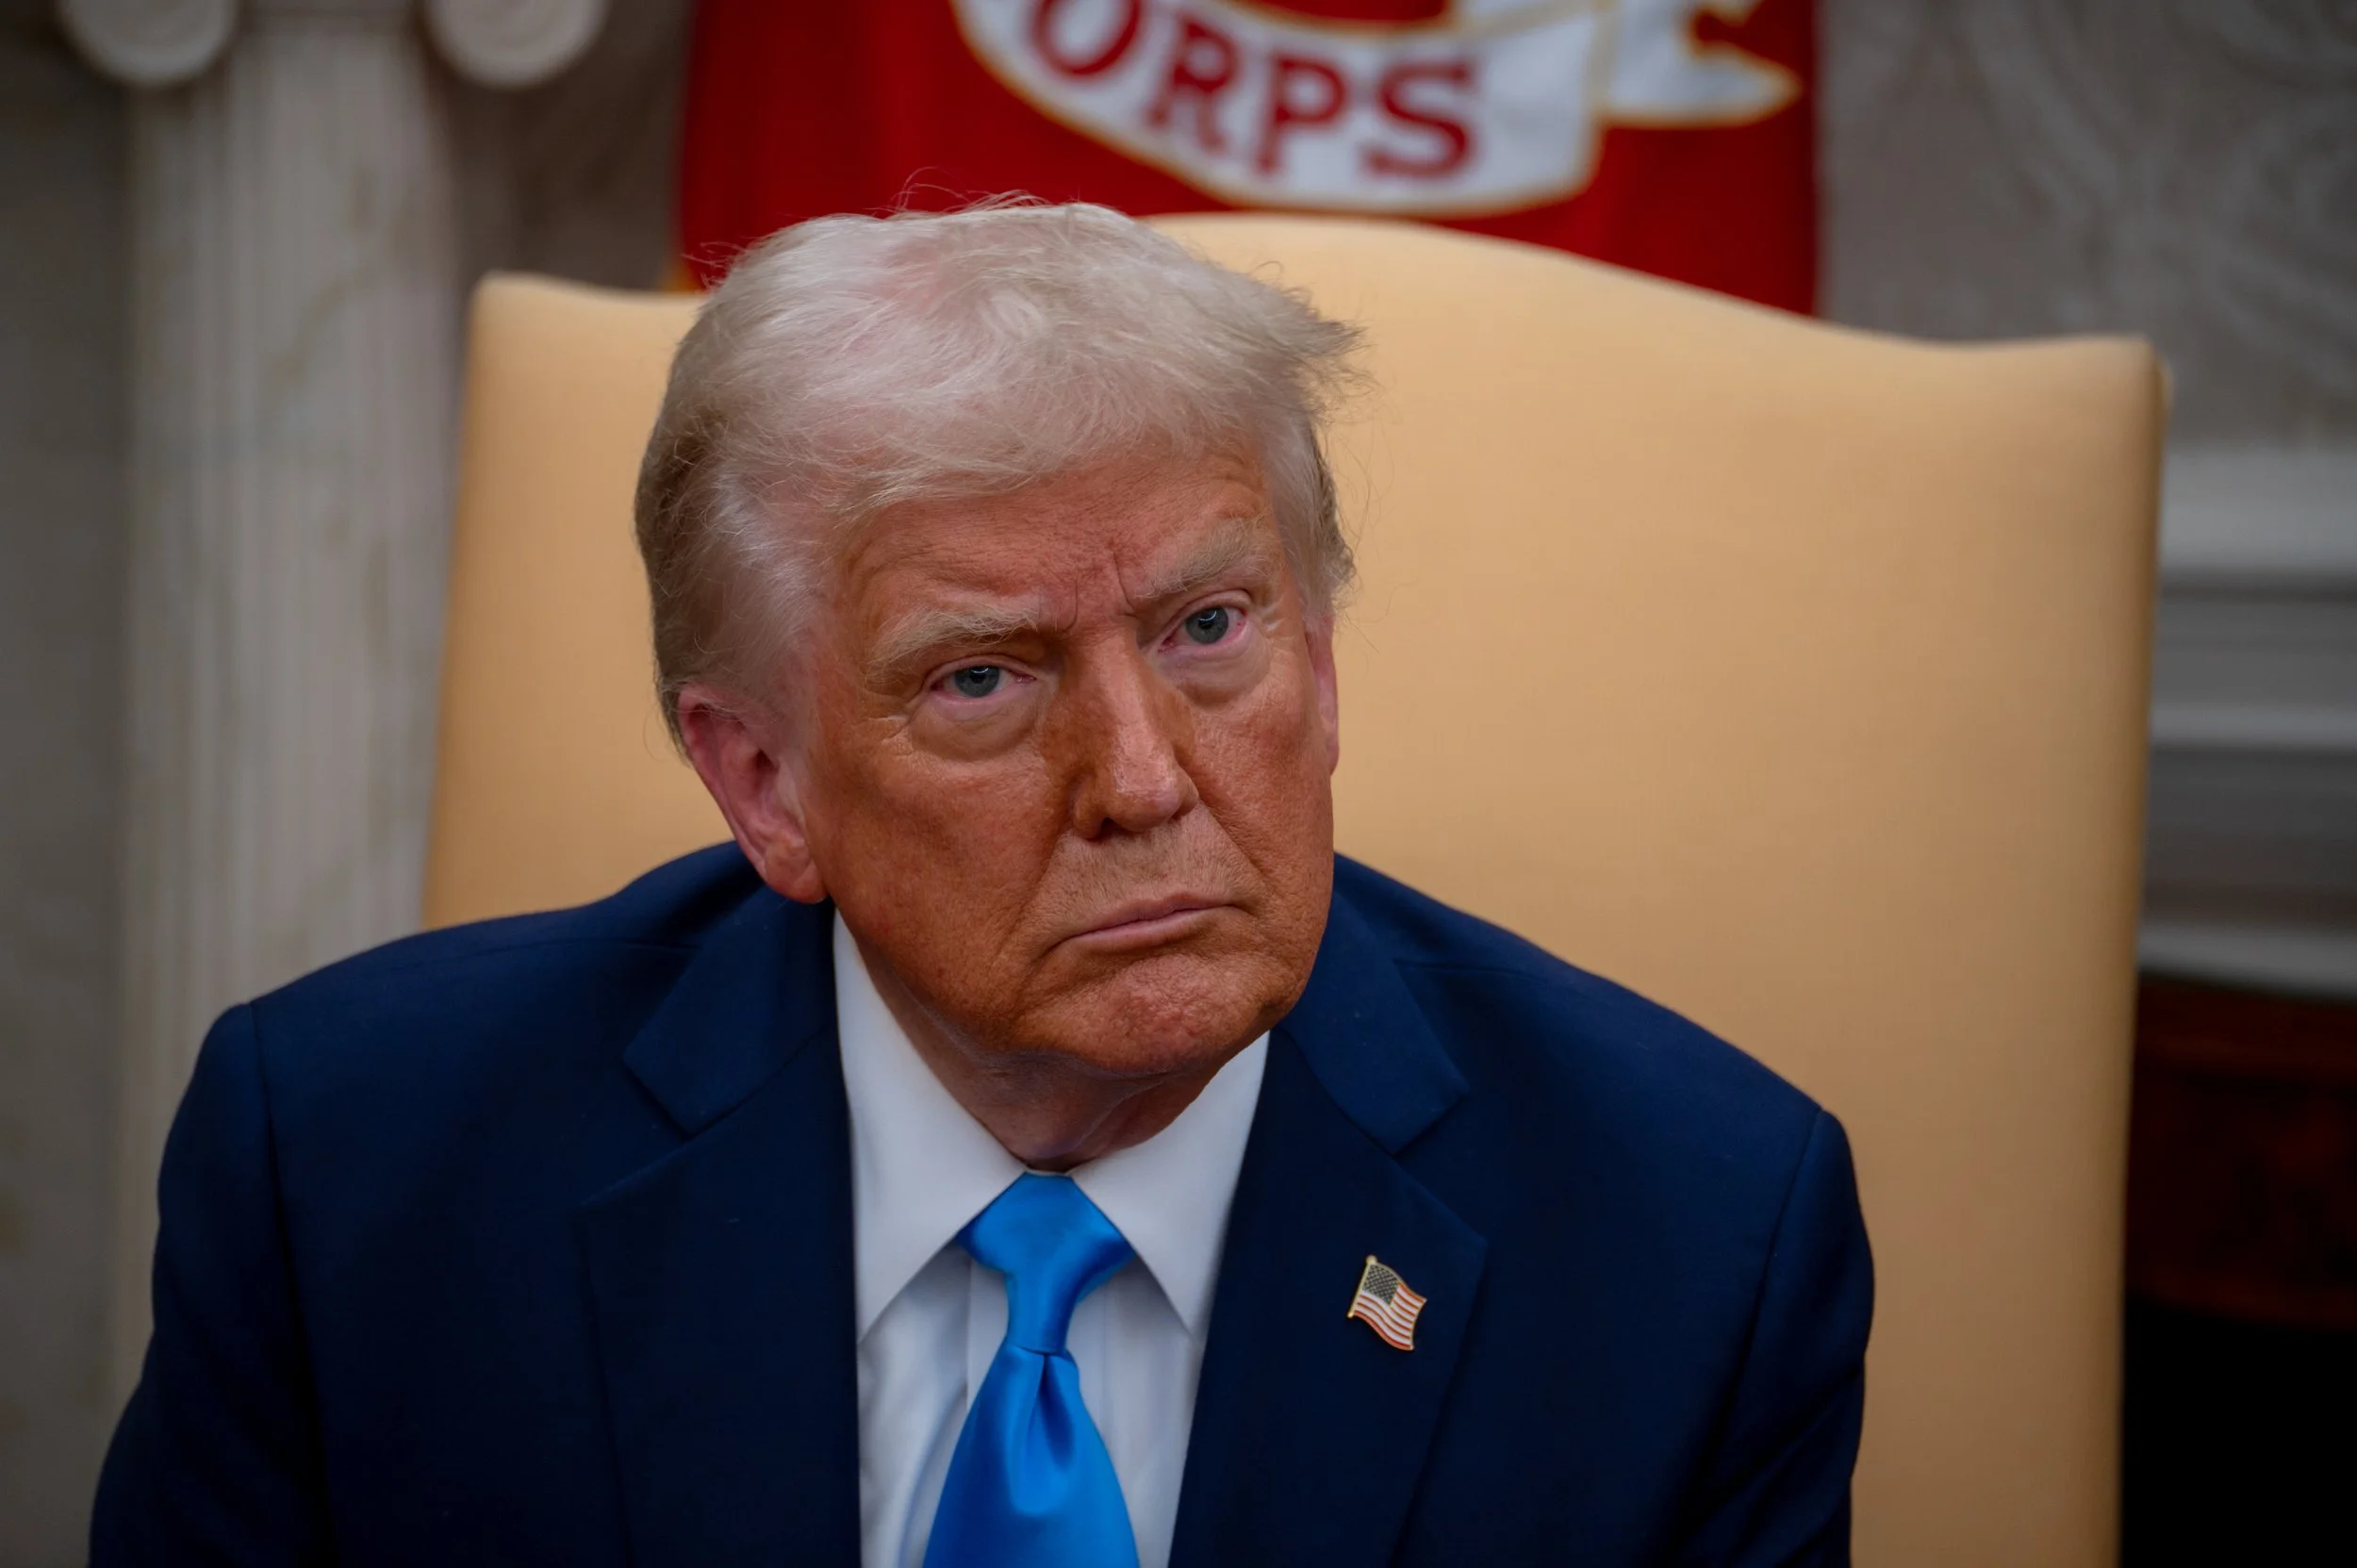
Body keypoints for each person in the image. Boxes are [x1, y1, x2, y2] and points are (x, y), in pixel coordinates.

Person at [92, 202, 1871, 1567]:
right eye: (980, 678)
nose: (1143, 781)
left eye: (1209, 627)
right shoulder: (349, 1179)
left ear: (1323, 667)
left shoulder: (1696, 1242)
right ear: (762, 781)